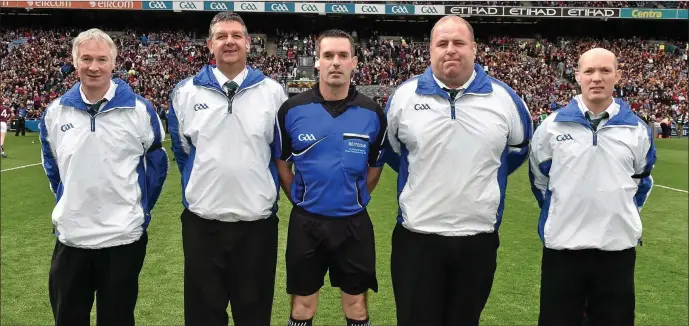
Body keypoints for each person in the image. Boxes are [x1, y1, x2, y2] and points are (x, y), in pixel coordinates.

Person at [384, 16, 532, 326]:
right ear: (430, 51)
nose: (451, 50)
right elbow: (396, 153)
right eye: (442, 43)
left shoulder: (505, 99)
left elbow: (517, 152)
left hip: (477, 238)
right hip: (418, 237)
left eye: (459, 43)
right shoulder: (403, 97)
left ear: (474, 49)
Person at [39, 28, 169, 326]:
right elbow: (53, 169)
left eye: (101, 59)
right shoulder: (55, 113)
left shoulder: (139, 110)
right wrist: (70, 205)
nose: (93, 66)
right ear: (75, 62)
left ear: (114, 62)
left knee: (117, 319)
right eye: (86, 58)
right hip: (73, 237)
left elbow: (156, 167)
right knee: (68, 318)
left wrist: (138, 210)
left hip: (122, 237)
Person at [168, 12, 287, 326]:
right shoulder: (185, 93)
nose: (229, 41)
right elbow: (182, 153)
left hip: (256, 224)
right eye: (221, 36)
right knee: (203, 314)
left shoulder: (273, 93)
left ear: (249, 43)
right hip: (202, 223)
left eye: (236, 35)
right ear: (210, 44)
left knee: (254, 313)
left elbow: (280, 153)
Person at [529, 48, 656, 326]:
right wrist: (562, 214)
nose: (596, 78)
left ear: (618, 76)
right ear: (577, 77)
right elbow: (539, 181)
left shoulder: (637, 130)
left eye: (605, 71)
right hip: (563, 250)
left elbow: (642, 181)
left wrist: (619, 213)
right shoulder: (551, 128)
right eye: (589, 71)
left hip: (616, 251)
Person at [274, 29, 386, 326]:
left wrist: (354, 196)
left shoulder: (372, 112)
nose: (335, 62)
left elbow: (374, 168)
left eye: (342, 55)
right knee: (302, 307)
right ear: (318, 63)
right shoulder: (292, 110)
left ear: (354, 62)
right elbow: (282, 164)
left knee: (357, 306)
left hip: (354, 223)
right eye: (328, 56)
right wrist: (301, 198)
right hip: (306, 223)